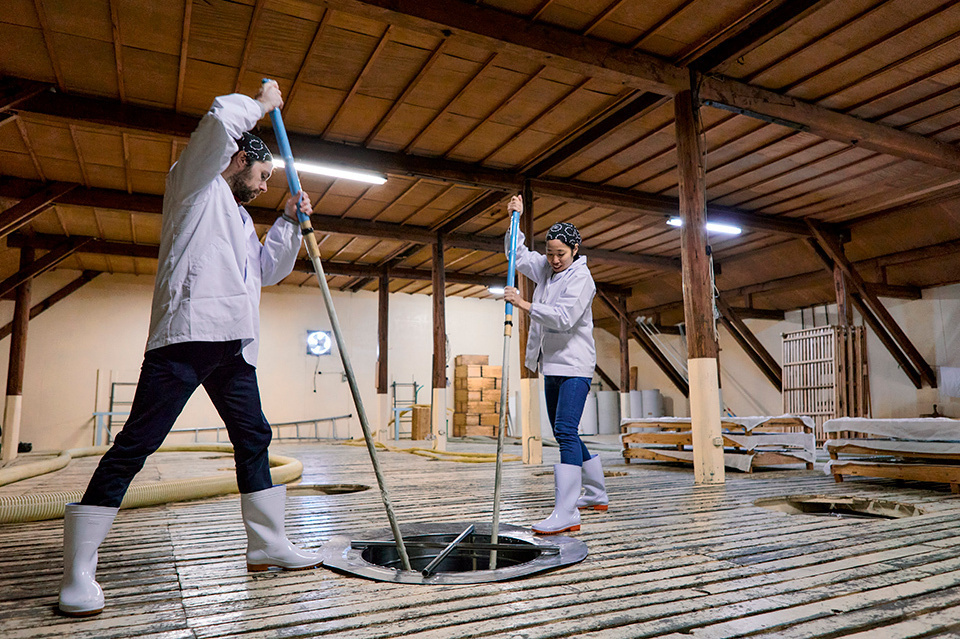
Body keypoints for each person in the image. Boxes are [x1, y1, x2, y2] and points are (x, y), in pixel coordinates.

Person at [58, 81, 320, 618]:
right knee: (137, 444)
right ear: (241, 158)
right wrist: (262, 106)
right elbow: (220, 121)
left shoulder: (241, 218)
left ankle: (266, 544)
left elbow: (266, 273)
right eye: (264, 175)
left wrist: (289, 223)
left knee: (254, 437)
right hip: (187, 336)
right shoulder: (194, 186)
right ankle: (78, 570)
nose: (266, 185)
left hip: (233, 345)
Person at [502, 194, 609, 535]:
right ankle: (595, 494)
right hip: (552, 366)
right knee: (567, 432)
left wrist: (523, 303)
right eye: (549, 253)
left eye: (560, 253)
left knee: (564, 432)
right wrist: (514, 219)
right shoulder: (547, 269)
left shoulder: (582, 279)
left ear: (575, 250)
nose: (554, 259)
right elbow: (516, 256)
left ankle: (567, 513)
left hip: (575, 366)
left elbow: (563, 318)